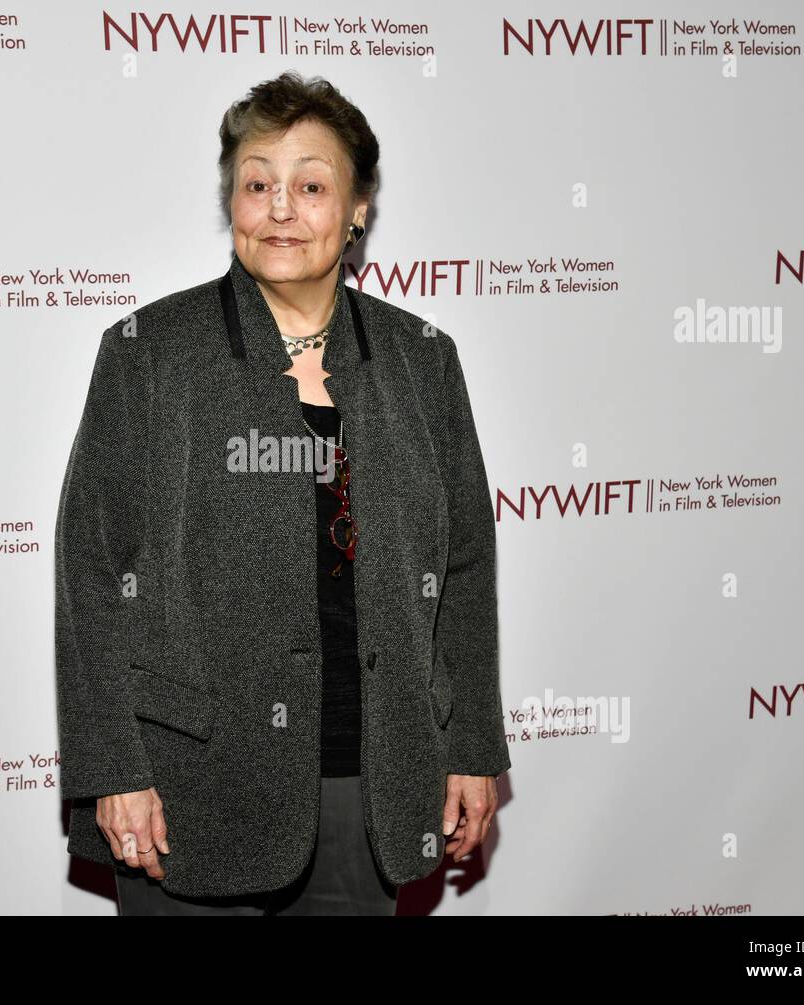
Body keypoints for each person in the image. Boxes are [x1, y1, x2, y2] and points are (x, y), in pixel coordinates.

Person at [54, 71, 511, 916]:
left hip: (368, 779)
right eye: (258, 182)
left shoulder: (422, 360)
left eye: (310, 185)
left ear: (358, 208)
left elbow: (467, 566)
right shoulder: (150, 353)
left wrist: (473, 741)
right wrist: (113, 768)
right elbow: (91, 572)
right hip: (187, 784)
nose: (279, 207)